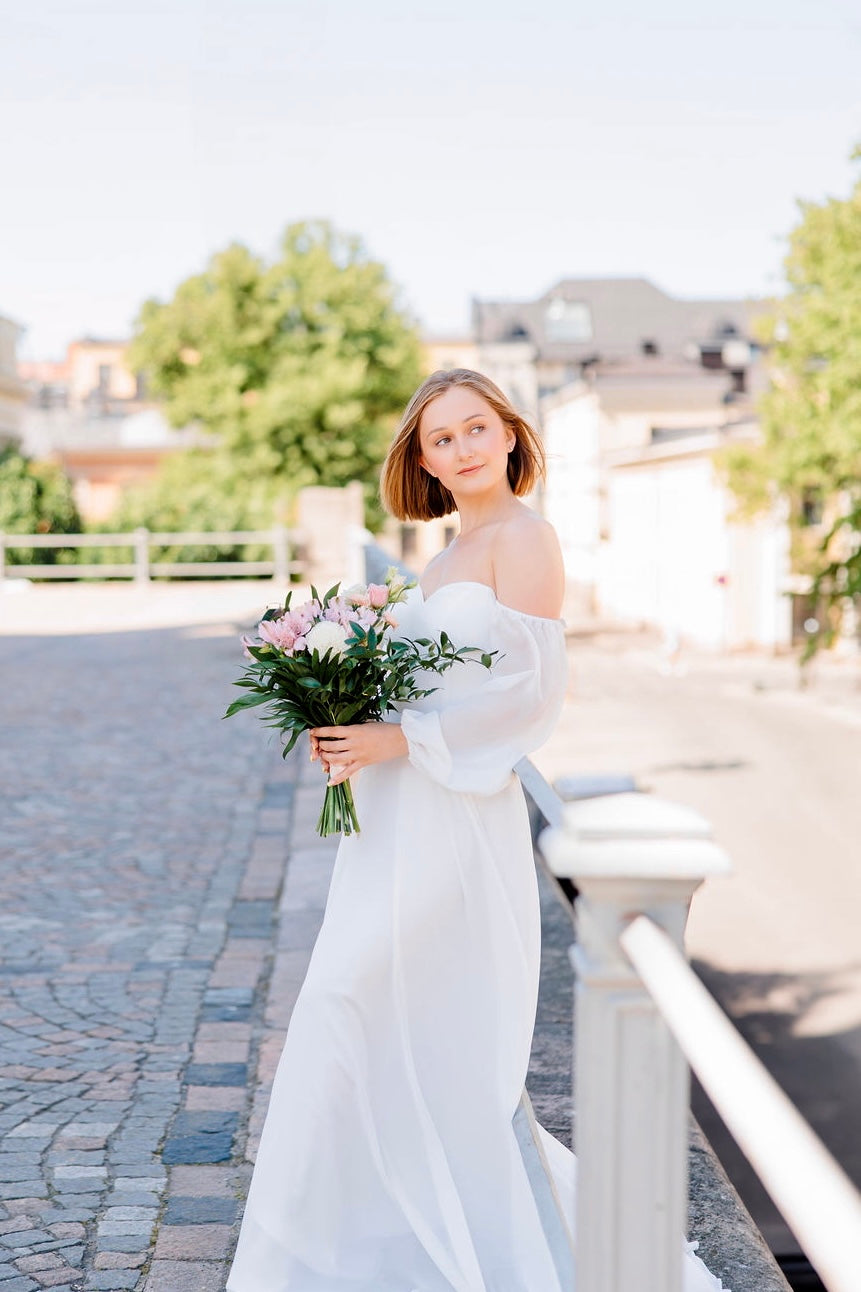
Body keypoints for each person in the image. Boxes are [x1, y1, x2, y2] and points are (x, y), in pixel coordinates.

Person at [226, 369, 726, 1291]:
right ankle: (365, 1244)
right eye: (439, 439)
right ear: (420, 460)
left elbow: (530, 700)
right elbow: (434, 680)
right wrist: (345, 718)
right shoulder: (443, 554)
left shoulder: (526, 539)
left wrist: (396, 738)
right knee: (368, 1015)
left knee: (359, 1004)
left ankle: (404, 1247)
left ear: (508, 435)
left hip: (456, 816)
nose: (459, 448)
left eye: (474, 428)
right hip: (391, 817)